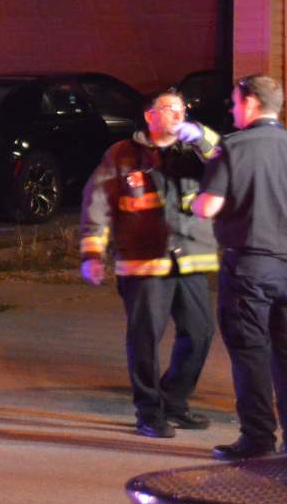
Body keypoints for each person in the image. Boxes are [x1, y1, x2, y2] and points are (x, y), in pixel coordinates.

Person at [80, 90, 220, 439]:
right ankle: (149, 411)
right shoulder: (122, 155)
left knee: (200, 333)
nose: (176, 114)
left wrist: (201, 136)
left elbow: (228, 158)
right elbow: (96, 204)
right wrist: (92, 254)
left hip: (189, 259)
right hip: (143, 263)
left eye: (182, 109)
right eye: (168, 108)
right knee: (144, 339)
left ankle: (174, 401)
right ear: (149, 115)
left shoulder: (194, 151)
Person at [193, 74, 287, 460]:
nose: (232, 110)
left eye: (234, 102)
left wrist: (196, 203)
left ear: (250, 103)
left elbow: (208, 206)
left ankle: (258, 438)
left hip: (250, 266)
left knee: (250, 353)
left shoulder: (232, 148)